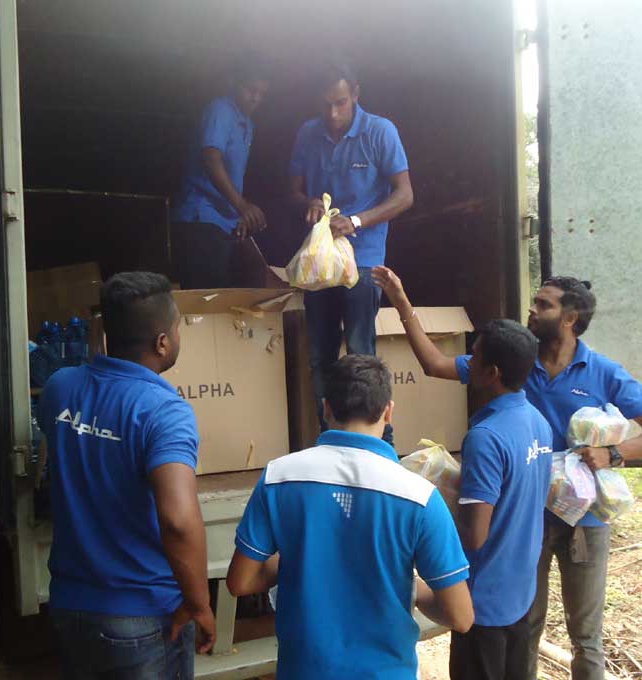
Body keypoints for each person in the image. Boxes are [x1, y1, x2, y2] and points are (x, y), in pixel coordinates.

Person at [371, 267, 642, 680]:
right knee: (524, 621)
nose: (532, 310)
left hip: (583, 522)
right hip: (528, 519)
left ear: (570, 319)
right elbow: (434, 363)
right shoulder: (518, 361)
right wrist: (401, 301)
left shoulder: (602, 373)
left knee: (585, 634)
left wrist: (613, 453)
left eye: (543, 305)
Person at [225, 354, 474, 679]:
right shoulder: (419, 497)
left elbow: (240, 582)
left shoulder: (279, 478)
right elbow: (461, 616)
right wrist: (411, 588)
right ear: (388, 412)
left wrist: (300, 558)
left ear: (326, 408)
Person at [36, 271, 216, 679]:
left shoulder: (60, 388)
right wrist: (199, 603)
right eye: (178, 327)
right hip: (144, 616)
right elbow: (178, 520)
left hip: (70, 606)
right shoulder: (164, 411)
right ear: (162, 342)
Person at [287, 62, 414, 433]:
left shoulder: (379, 131)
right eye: (326, 104)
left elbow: (405, 194)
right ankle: (329, 438)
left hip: (363, 260)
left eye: (340, 103)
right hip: (320, 264)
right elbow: (292, 192)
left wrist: (357, 221)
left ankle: (379, 442)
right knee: (320, 357)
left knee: (361, 354)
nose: (333, 113)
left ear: (356, 94)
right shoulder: (307, 134)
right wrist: (307, 203)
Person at [449, 319, 553, 680]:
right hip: (521, 590)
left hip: (484, 602)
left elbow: (476, 536)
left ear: (491, 373)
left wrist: (436, 507)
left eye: (474, 355)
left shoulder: (486, 437)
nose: (468, 361)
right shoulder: (538, 422)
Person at [171, 58, 271, 289]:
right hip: (202, 218)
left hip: (226, 222)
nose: (256, 98)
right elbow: (211, 158)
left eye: (262, 94)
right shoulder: (221, 110)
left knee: (253, 274)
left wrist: (239, 215)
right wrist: (242, 206)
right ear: (235, 83)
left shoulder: (248, 123)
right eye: (251, 90)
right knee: (208, 297)